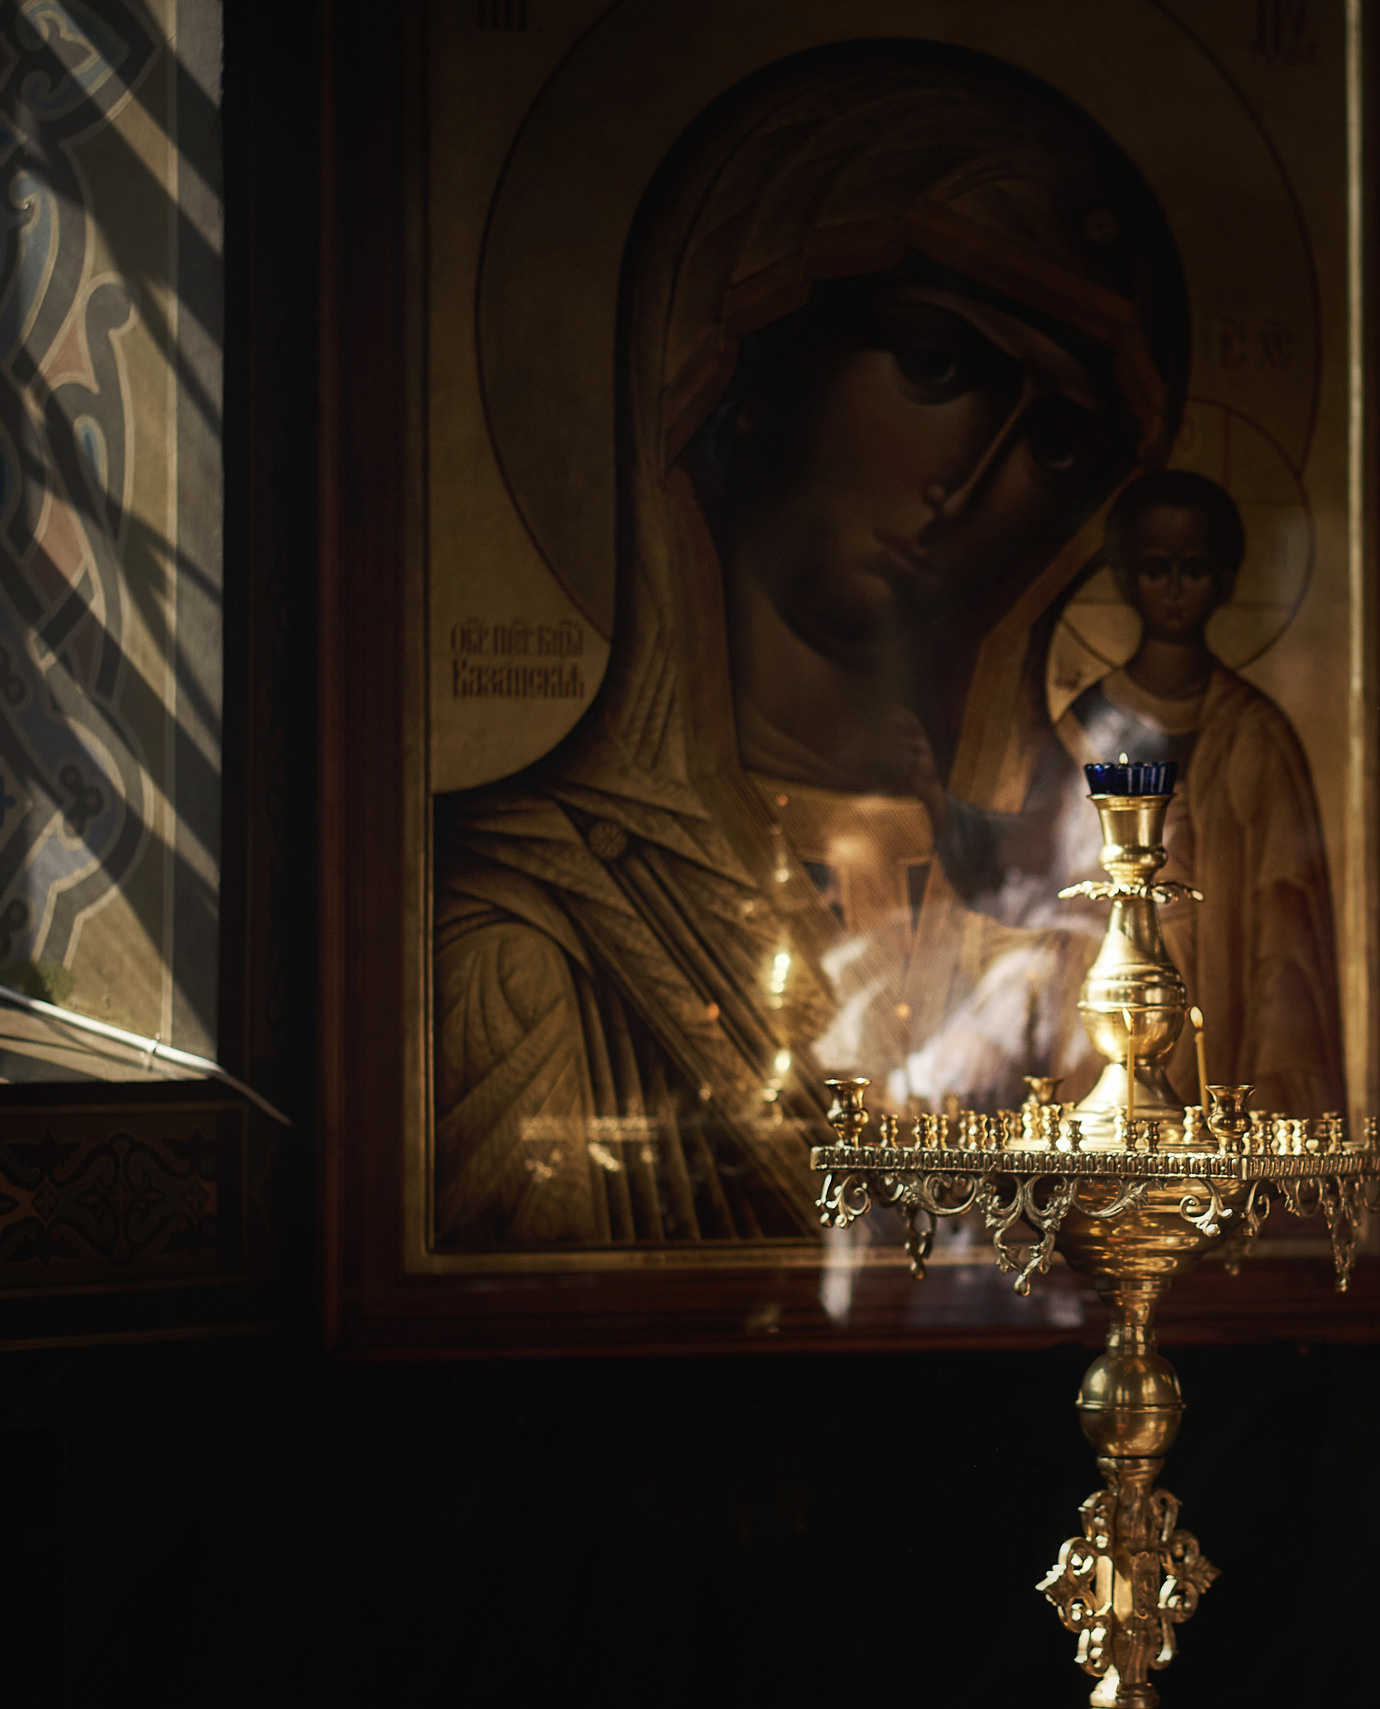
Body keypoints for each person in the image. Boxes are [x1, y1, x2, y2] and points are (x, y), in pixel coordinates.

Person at [432, 43, 1189, 1247]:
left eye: (1054, 444)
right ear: (735, 370)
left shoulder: (1076, 944)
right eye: (935, 365)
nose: (971, 483)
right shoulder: (521, 939)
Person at [1056, 470, 1343, 1115]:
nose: (1175, 589)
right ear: (1127, 580)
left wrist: (1275, 1093)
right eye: (1156, 569)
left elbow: (1287, 930)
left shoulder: (1257, 733)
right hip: (1106, 1023)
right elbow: (1043, 902)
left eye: (1195, 570)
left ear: (1226, 581)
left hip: (1221, 1012)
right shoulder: (1082, 729)